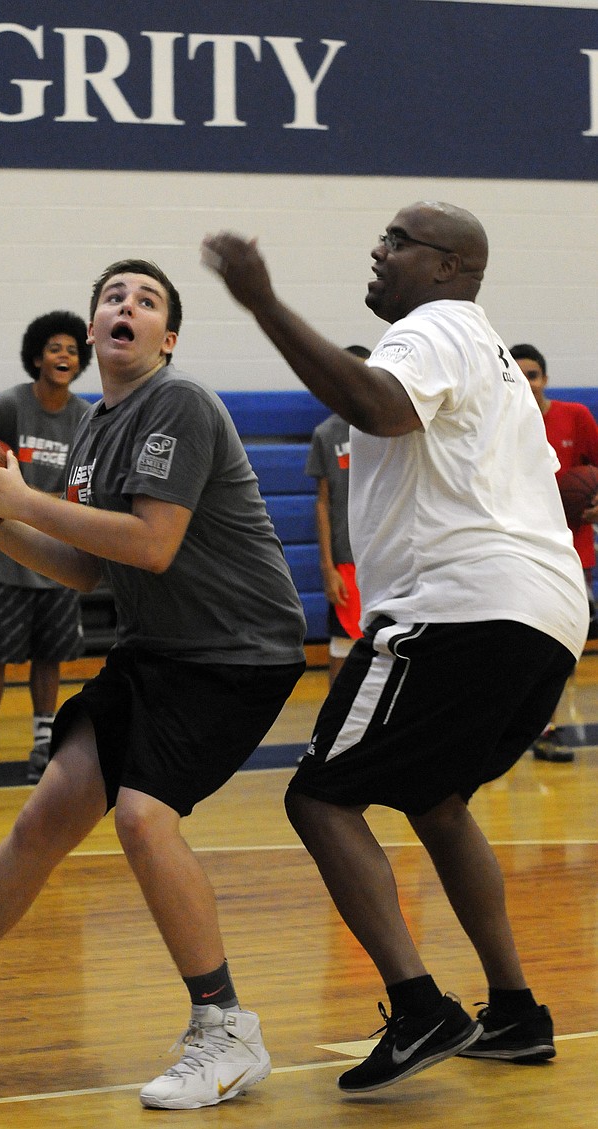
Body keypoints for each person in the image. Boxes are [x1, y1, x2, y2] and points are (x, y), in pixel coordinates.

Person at [0, 259, 307, 1110]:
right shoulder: (91, 430)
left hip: (240, 649)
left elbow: (151, 544)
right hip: (157, 648)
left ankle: (229, 1028)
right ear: (91, 329)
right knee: (43, 817)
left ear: (167, 337)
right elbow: (87, 567)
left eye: (146, 301)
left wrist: (17, 498)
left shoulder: (181, 404)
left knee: (142, 817)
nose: (127, 306)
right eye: (113, 297)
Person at [201, 204, 588, 1094]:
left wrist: (264, 303)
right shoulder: (490, 352)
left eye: (398, 241)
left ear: (449, 265)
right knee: (437, 802)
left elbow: (376, 407)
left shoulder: (432, 328)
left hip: (458, 607)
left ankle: (421, 1008)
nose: (378, 251)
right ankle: (515, 1010)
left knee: (319, 798)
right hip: (545, 615)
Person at [0, 311, 93, 789]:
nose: (64, 355)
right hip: (8, 553)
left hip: (60, 555)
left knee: (50, 655)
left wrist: (47, 505)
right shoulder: (11, 405)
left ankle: (43, 745)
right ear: (37, 357)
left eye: (72, 349)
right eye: (55, 348)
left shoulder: (85, 417)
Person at [510, 342, 598, 763]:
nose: (527, 383)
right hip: (521, 549)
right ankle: (530, 727)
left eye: (533, 375)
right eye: (518, 375)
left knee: (562, 647)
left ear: (545, 378)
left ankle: (544, 724)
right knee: (523, 645)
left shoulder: (575, 416)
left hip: (572, 551)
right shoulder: (502, 421)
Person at [306, 345, 370, 686]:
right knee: (343, 646)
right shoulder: (327, 433)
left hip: (387, 557)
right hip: (347, 560)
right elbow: (323, 503)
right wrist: (327, 568)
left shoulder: (393, 426)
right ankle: (336, 718)